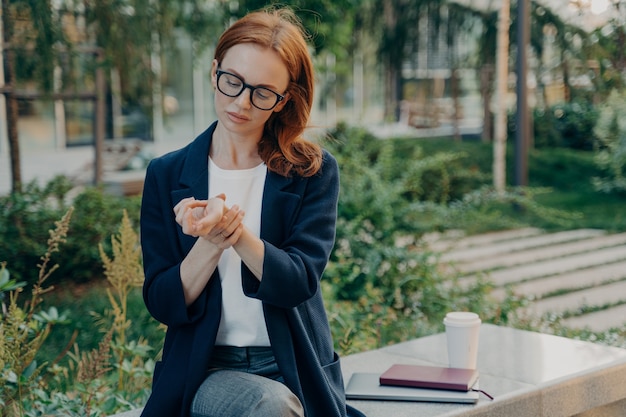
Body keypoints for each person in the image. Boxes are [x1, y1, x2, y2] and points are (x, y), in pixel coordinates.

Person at [139, 7, 365, 417]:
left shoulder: (312, 171)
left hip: (295, 365)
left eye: (262, 92)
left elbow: (299, 281)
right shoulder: (166, 173)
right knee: (272, 407)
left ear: (283, 101)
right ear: (214, 72)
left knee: (279, 402)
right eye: (232, 82)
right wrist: (209, 243)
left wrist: (236, 234)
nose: (241, 102)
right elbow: (162, 302)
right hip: (206, 370)